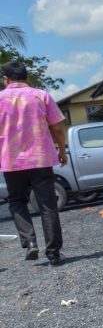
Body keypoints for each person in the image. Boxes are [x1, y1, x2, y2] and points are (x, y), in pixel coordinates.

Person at [0, 62, 67, 266]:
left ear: (6, 79)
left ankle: (30, 242)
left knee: (17, 201)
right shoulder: (41, 95)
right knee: (48, 205)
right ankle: (54, 254)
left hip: (11, 161)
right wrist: (62, 150)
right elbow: (56, 127)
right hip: (40, 159)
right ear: (27, 78)